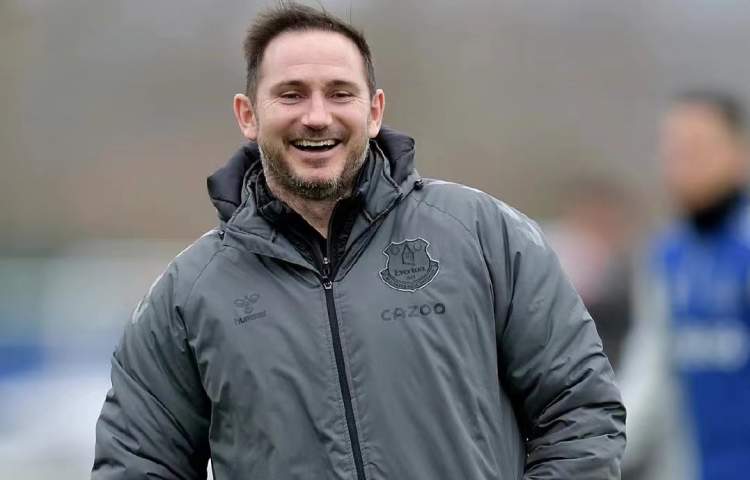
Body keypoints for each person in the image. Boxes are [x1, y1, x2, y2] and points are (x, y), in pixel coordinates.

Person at [91, 4, 625, 479]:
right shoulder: (190, 293)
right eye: (291, 94)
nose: (316, 116)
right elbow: (137, 462)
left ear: (374, 111)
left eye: (340, 93)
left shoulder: (483, 235)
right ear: (248, 115)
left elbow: (581, 412)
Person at [630, 91, 750, 480]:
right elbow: (648, 372)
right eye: (674, 150)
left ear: (740, 155)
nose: (685, 163)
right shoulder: (666, 256)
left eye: (699, 147)